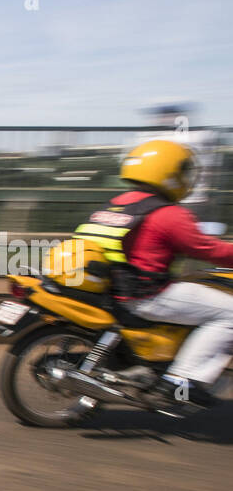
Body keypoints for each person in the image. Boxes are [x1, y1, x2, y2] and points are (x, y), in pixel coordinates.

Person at [74, 138, 233, 406]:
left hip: (112, 289)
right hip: (147, 295)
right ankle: (181, 380)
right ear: (171, 172)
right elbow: (208, 250)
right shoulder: (168, 213)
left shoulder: (116, 204)